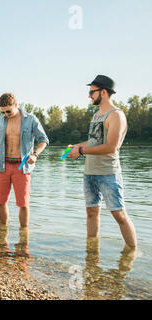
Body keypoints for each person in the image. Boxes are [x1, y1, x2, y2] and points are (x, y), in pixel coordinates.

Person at [67, 75, 137, 249]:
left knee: (119, 214)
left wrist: (81, 151)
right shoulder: (97, 115)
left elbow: (111, 147)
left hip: (108, 173)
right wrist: (76, 146)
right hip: (90, 172)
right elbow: (94, 142)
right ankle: (92, 254)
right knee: (91, 212)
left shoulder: (116, 115)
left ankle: (132, 253)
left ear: (103, 92)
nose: (89, 95)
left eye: (92, 92)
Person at [0, 93, 49, 227]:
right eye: (3, 111)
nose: (6, 114)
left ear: (15, 105)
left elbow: (44, 140)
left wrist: (35, 154)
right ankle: (3, 232)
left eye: (8, 111)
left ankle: (24, 235)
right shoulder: (0, 121)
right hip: (2, 166)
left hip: (22, 166)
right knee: (0, 201)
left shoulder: (31, 119)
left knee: (23, 203)